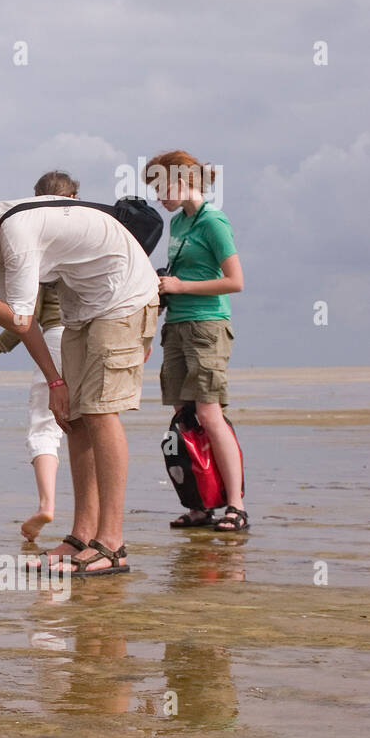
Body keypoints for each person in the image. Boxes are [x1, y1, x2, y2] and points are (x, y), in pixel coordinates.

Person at [0, 181, 159, 576]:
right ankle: (82, 536)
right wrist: (55, 383)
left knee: (100, 413)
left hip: (125, 296)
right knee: (73, 417)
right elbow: (23, 324)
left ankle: (112, 544)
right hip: (84, 307)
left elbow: (19, 318)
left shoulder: (17, 233)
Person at [0, 171, 77, 543]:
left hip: (56, 334)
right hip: (89, 330)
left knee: (45, 422)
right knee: (89, 422)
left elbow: (25, 314)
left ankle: (47, 503)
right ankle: (95, 523)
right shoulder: (74, 238)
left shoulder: (31, 240)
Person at [146, 151, 247, 531]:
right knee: (183, 418)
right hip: (176, 325)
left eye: (160, 187)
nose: (158, 196)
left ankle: (236, 506)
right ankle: (200, 505)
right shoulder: (177, 223)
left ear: (182, 179)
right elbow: (175, 277)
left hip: (207, 326)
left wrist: (181, 286)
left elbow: (235, 281)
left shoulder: (214, 221)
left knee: (209, 414)